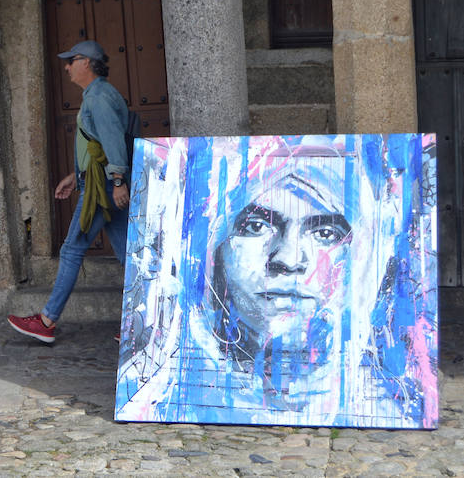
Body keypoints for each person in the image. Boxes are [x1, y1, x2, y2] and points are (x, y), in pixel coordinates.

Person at [115, 135, 427, 427]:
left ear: (366, 254)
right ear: (212, 250)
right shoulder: (154, 402)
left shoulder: (395, 411)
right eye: (255, 226)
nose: (289, 260)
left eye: (326, 233)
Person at [8, 39, 132, 344]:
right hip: (99, 183)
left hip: (103, 188)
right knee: (131, 255)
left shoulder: (99, 97)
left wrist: (117, 182)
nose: (66, 66)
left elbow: (113, 141)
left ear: (86, 63)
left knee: (72, 248)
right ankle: (143, 323)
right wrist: (73, 178)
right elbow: (97, 146)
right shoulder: (97, 94)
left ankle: (47, 320)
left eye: (70, 61)